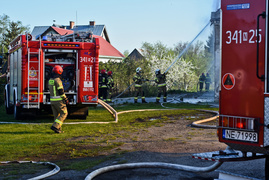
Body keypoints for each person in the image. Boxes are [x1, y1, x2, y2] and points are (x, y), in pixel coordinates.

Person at [49, 65, 68, 133]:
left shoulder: (50, 80)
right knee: (64, 113)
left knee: (56, 116)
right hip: (58, 101)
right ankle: (55, 126)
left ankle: (58, 129)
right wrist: (65, 99)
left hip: (52, 101)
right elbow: (61, 91)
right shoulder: (58, 80)